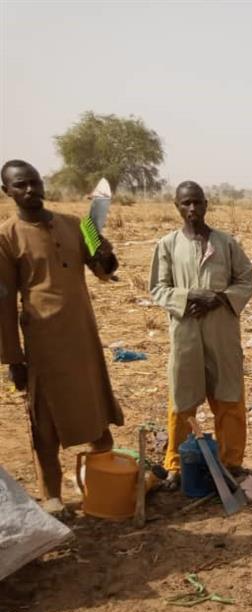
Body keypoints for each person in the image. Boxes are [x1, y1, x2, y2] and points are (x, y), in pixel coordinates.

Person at [0, 159, 123, 514]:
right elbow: (4, 303)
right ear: (7, 191)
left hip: (82, 338)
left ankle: (102, 487)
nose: (30, 190)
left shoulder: (77, 225)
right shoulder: (6, 237)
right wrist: (13, 359)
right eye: (20, 185)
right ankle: (52, 496)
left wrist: (105, 255)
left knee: (95, 410)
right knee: (45, 423)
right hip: (43, 343)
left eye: (34, 182)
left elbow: (103, 270)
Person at [150, 181, 252, 486]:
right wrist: (190, 296)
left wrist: (218, 298)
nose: (192, 208)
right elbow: (159, 288)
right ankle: (176, 464)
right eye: (186, 203)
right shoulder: (168, 245)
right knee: (182, 400)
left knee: (229, 397)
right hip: (186, 336)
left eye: (197, 202)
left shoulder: (226, 243)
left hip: (222, 334)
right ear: (177, 206)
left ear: (206, 205)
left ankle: (231, 462)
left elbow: (246, 280)